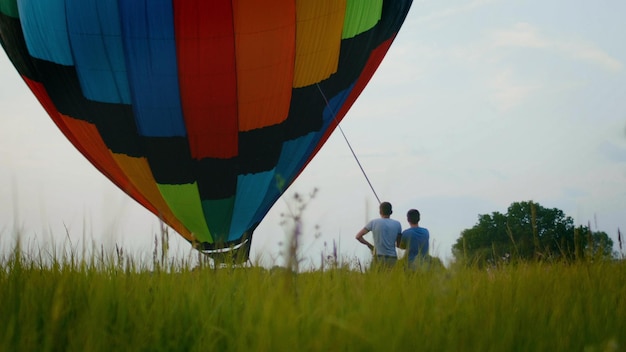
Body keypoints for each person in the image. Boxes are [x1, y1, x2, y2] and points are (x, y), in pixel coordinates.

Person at [355, 201, 402, 268]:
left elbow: (358, 236)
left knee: (375, 278)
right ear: (391, 212)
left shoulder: (373, 222)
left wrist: (370, 246)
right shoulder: (397, 224)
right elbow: (399, 244)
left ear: (380, 212)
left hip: (378, 257)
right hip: (392, 259)